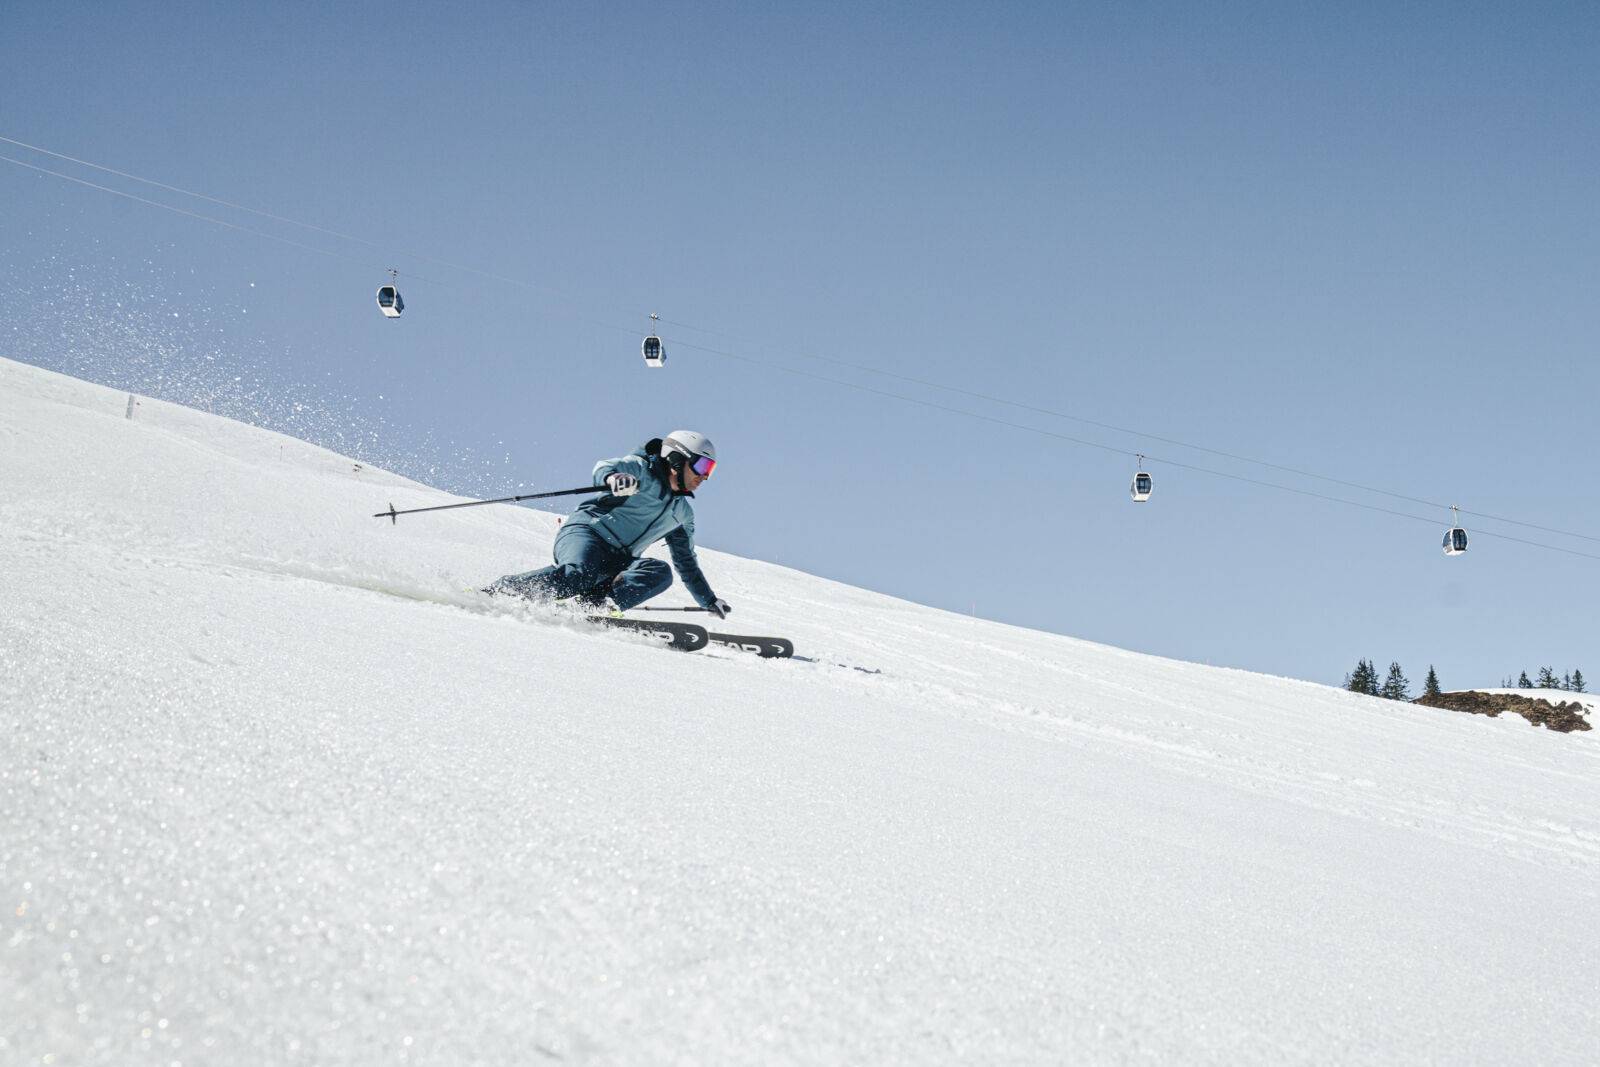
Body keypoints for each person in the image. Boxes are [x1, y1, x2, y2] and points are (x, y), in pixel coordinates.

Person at [488, 430, 731, 618]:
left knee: (660, 573)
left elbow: (686, 562)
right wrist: (614, 478)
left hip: (619, 559)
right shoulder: (641, 470)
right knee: (580, 573)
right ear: (677, 459)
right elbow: (605, 467)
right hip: (588, 534)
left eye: (711, 470)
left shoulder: (682, 514)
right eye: (701, 466)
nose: (704, 476)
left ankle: (596, 606)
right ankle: (501, 592)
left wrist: (708, 600)